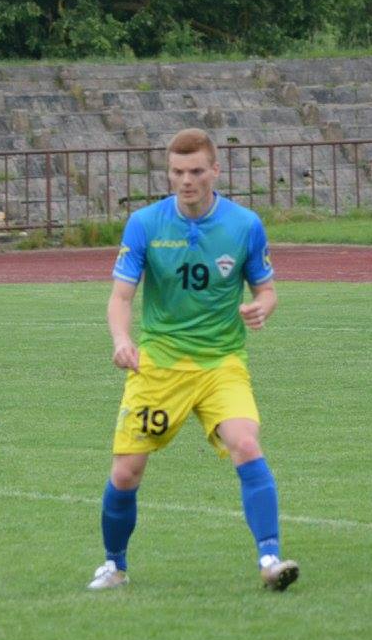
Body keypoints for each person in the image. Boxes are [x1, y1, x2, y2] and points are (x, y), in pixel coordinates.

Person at [88, 128, 298, 592]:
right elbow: (121, 296)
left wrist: (263, 306)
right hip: (159, 364)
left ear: (215, 171)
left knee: (246, 444)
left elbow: (266, 289)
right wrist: (122, 339)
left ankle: (270, 558)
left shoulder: (244, 225)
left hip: (221, 363)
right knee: (126, 471)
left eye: (197, 171)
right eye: (178, 172)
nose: (187, 181)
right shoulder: (145, 223)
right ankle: (114, 565)